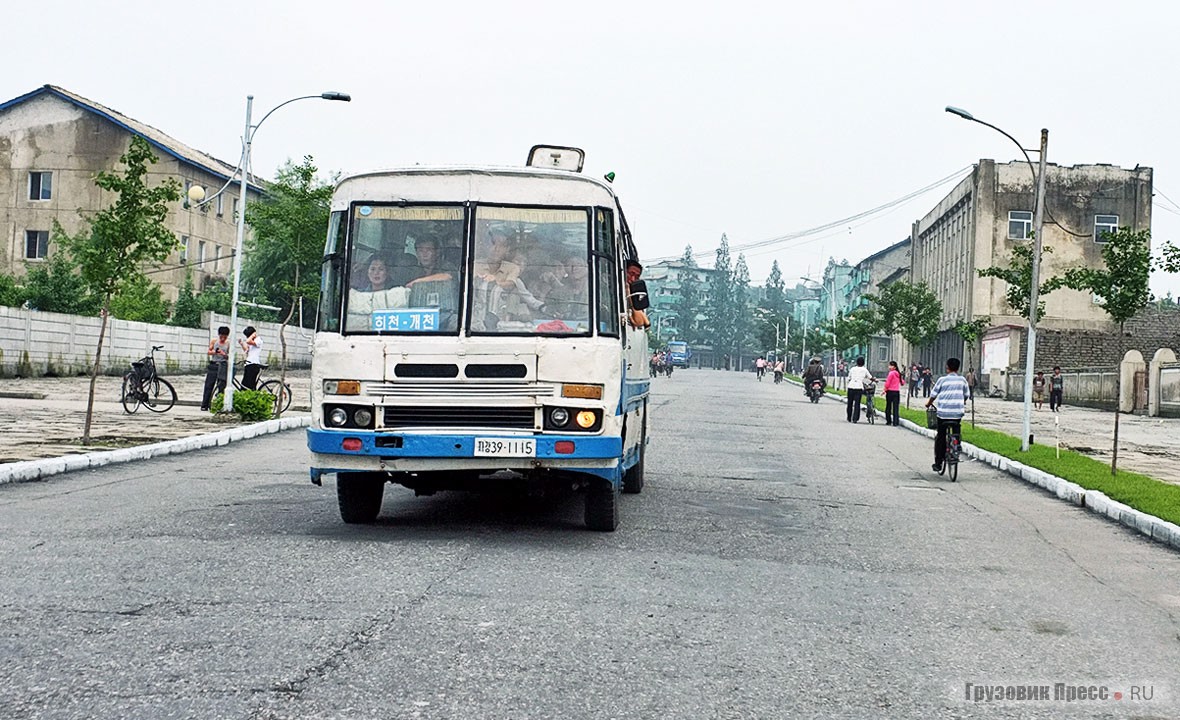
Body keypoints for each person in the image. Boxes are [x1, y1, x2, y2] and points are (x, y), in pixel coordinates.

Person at [926, 357, 970, 473]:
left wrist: (928, 403)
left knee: (941, 436)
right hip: (957, 413)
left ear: (947, 368)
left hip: (943, 414)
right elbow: (966, 395)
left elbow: (933, 394)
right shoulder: (962, 380)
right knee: (956, 429)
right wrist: (963, 401)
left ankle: (938, 463)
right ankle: (957, 444)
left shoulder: (942, 380)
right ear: (958, 368)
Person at [200, 325, 230, 411]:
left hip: (223, 365)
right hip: (214, 365)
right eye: (221, 336)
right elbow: (209, 351)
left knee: (221, 385)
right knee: (209, 385)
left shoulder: (228, 343)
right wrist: (215, 352)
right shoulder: (214, 341)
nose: (223, 338)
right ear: (219, 335)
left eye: (225, 337)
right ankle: (205, 404)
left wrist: (224, 354)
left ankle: (219, 404)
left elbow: (229, 356)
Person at [846, 356, 874, 423]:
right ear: (863, 363)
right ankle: (855, 419)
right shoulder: (864, 370)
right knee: (857, 404)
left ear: (856, 362)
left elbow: (849, 378)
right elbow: (870, 377)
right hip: (858, 388)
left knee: (850, 403)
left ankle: (849, 417)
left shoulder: (852, 369)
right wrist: (875, 380)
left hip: (851, 387)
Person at [240, 325, 263, 390]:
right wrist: (241, 344)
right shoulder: (252, 341)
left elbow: (248, 341)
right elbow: (247, 350)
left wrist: (253, 335)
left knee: (249, 386)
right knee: (245, 384)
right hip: (248, 364)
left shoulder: (258, 340)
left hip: (254, 364)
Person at [883, 360, 904, 426]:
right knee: (895, 408)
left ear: (894, 367)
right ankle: (895, 422)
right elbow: (902, 382)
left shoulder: (891, 373)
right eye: (889, 365)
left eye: (891, 366)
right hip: (896, 392)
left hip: (890, 392)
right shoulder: (898, 374)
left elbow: (887, 383)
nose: (890, 367)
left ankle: (888, 421)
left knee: (888, 407)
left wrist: (884, 390)